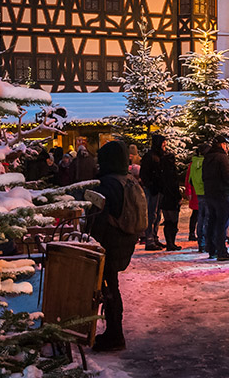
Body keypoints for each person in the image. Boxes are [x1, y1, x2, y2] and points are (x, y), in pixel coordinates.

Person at [90, 140, 148, 352]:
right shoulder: (127, 180)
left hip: (109, 243)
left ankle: (115, 334)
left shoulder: (107, 184)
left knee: (109, 287)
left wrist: (91, 243)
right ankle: (114, 332)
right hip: (124, 241)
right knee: (111, 285)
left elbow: (100, 218)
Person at [201, 137, 229, 262]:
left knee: (212, 221)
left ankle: (212, 249)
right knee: (222, 223)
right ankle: (221, 251)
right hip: (222, 193)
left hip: (209, 193)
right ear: (222, 144)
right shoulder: (222, 157)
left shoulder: (207, 157)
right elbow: (228, 175)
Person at [156, 136, 183, 251]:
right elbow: (174, 186)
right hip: (171, 199)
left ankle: (170, 242)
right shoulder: (171, 173)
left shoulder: (161, 171)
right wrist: (178, 197)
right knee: (173, 222)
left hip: (164, 198)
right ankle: (171, 242)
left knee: (168, 221)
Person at [139, 136, 165, 250]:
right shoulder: (150, 157)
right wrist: (150, 184)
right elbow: (144, 173)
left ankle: (154, 237)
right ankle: (149, 238)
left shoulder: (160, 156)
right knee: (151, 214)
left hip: (158, 188)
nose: (165, 146)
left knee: (157, 214)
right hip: (152, 189)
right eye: (163, 144)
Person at [187, 144, 208, 250]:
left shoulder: (193, 162)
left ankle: (201, 242)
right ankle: (205, 242)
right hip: (206, 191)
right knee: (205, 218)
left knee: (199, 216)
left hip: (197, 191)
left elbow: (189, 178)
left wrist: (190, 190)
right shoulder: (206, 162)